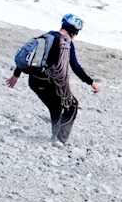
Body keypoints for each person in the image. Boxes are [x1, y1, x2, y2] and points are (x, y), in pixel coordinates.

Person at [6, 14, 101, 144]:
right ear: (74, 31)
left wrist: (16, 75)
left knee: (55, 107)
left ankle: (54, 136)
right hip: (48, 81)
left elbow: (31, 56)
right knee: (72, 105)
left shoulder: (47, 36)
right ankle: (60, 139)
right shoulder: (66, 44)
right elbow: (75, 67)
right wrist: (91, 82)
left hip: (33, 81)